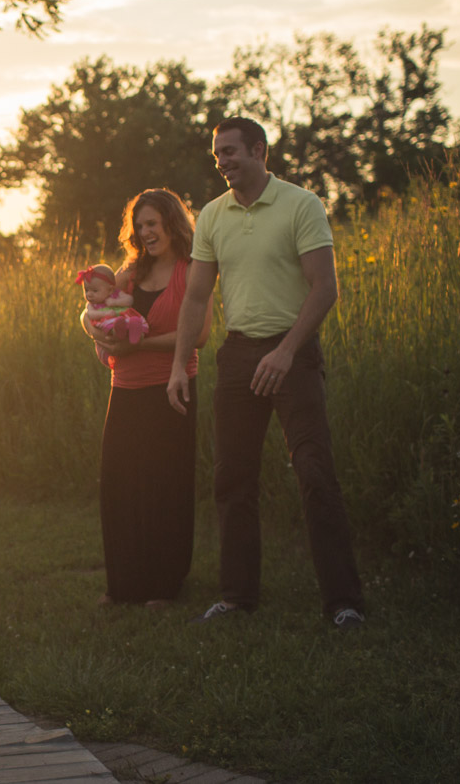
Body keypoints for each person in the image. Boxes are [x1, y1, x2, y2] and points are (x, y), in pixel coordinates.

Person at [166, 117, 366, 630]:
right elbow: (196, 297)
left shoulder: (301, 205)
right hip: (236, 358)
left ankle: (344, 603)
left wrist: (286, 351)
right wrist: (178, 366)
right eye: (217, 155)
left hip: (293, 356)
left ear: (258, 150)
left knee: (315, 472)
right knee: (232, 478)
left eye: (230, 151)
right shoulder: (212, 216)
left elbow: (324, 288)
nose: (222, 161)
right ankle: (236, 598)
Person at [84, 188, 207, 607]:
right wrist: (95, 331)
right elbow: (94, 311)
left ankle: (165, 586)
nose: (146, 232)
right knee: (120, 485)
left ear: (172, 223)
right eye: (140, 226)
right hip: (126, 390)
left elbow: (201, 336)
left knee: (164, 488)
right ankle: (123, 585)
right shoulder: (129, 273)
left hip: (171, 387)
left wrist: (140, 345)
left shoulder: (191, 270)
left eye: (153, 223)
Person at [76, 263, 148, 368]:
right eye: (86, 290)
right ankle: (119, 333)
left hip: (122, 318)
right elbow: (90, 314)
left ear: (110, 289)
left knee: (129, 320)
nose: (89, 294)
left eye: (94, 291)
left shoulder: (115, 294)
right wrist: (104, 313)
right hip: (107, 323)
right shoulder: (92, 305)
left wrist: (114, 302)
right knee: (112, 326)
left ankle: (133, 330)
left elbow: (129, 300)